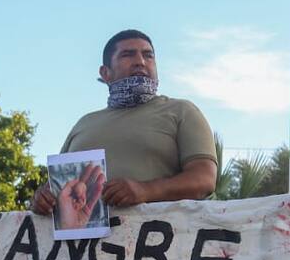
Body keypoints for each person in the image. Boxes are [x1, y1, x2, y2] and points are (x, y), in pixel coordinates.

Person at [31, 29, 217, 217]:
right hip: (86, 236)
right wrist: (43, 199)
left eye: (148, 55)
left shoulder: (181, 111)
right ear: (106, 73)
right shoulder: (84, 124)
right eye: (128, 55)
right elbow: (57, 187)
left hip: (163, 234)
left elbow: (204, 180)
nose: (140, 62)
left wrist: (146, 190)